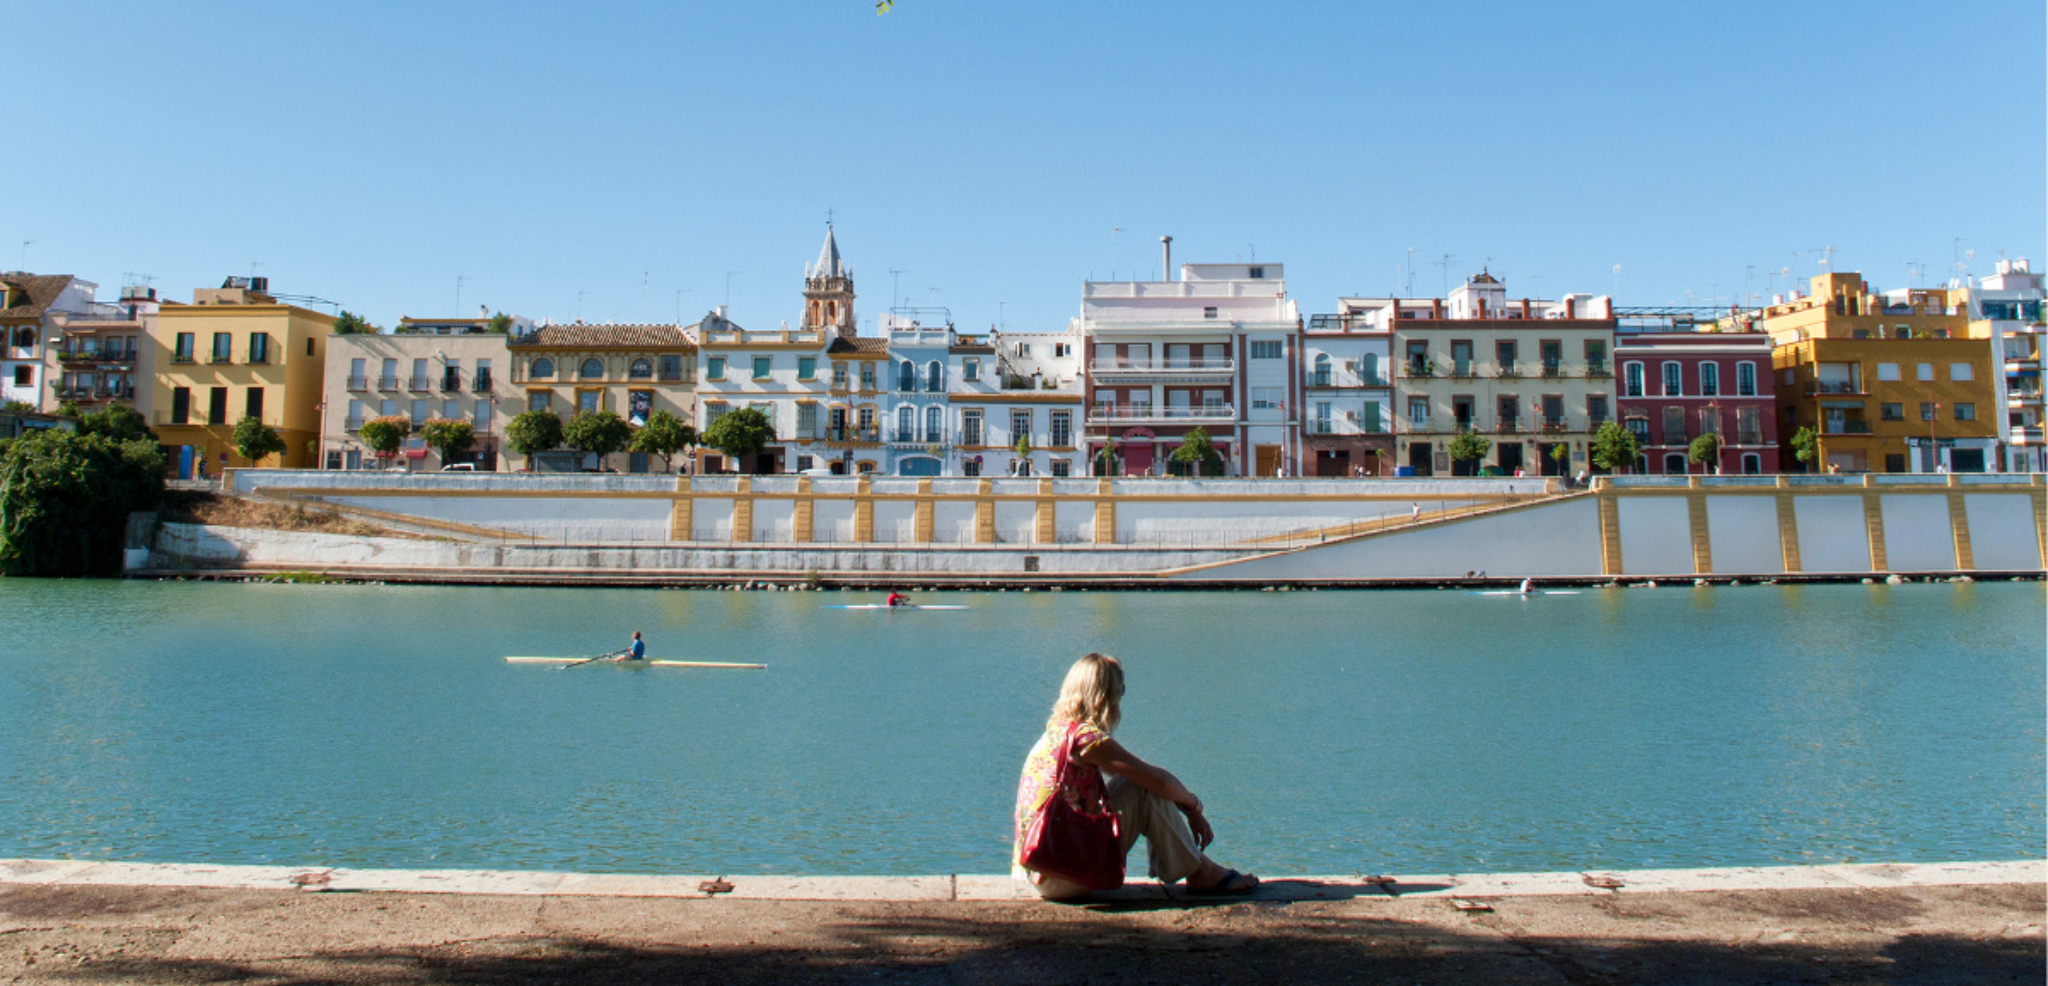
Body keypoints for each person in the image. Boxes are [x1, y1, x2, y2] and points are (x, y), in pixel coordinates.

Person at [1014, 652, 1257, 900]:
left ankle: (1194, 867)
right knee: (1144, 786)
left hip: (1042, 868)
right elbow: (1158, 781)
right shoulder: (1085, 740)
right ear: (1105, 697)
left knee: (1136, 782)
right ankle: (1201, 872)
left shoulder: (1058, 732)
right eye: (1120, 691)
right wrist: (1193, 808)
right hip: (1061, 877)